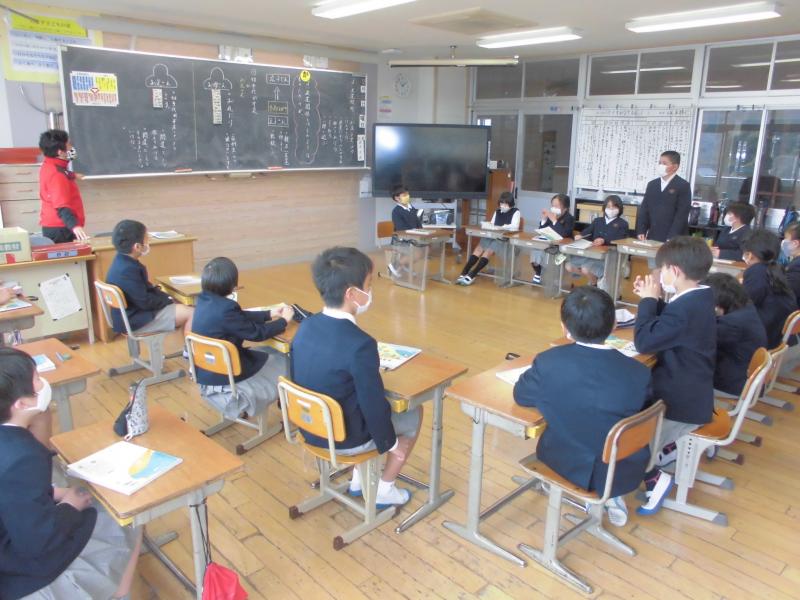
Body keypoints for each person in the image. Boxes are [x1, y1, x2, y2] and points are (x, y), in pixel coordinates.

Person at [0, 347, 142, 600]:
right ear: (21, 403)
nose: (43, 382)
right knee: (127, 517)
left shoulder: (12, 446)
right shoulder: (23, 456)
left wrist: (53, 492)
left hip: (11, 540)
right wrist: (69, 506)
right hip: (20, 569)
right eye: (37, 379)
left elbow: (11, 492)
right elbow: (37, 541)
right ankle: (118, 590)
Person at [291, 247, 421, 506]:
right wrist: (391, 445)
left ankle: (358, 481)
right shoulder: (361, 344)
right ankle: (385, 488)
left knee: (351, 399)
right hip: (344, 438)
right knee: (413, 413)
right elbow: (372, 405)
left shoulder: (306, 326)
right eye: (369, 285)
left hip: (310, 427)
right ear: (351, 294)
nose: (371, 292)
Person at [513, 286, 652, 527]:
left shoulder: (549, 363)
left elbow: (521, 395)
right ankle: (611, 495)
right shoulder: (640, 372)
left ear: (564, 328)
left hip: (569, 462)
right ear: (614, 325)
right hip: (625, 464)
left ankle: (598, 495)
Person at [633, 236, 716, 515]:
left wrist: (648, 301)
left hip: (681, 403)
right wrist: (653, 301)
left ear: (676, 271)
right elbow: (671, 322)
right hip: (692, 388)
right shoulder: (699, 296)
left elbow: (644, 342)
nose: (660, 275)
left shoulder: (686, 308)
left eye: (663, 269)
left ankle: (654, 479)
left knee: (630, 442)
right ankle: (667, 449)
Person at [190, 257, 294, 419]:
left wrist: (269, 314)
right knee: (289, 360)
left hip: (208, 372)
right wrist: (284, 321)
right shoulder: (227, 308)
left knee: (268, 351)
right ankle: (288, 403)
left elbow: (238, 317)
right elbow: (257, 333)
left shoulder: (203, 300)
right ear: (231, 284)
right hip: (229, 375)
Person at [106, 219, 194, 337]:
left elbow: (143, 293)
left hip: (131, 314)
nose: (149, 243)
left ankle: (186, 344)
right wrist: (168, 300)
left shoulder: (120, 260)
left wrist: (166, 297)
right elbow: (145, 302)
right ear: (137, 246)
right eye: (147, 239)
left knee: (182, 304)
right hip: (137, 320)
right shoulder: (127, 270)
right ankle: (190, 348)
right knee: (193, 313)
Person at [704, 273, 768, 396]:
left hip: (733, 384)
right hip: (744, 376)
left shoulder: (731, 324)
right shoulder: (746, 308)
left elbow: (702, 340)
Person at [742, 230, 796, 349]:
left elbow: (741, 305)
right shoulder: (777, 270)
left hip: (762, 341)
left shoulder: (756, 272)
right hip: (778, 338)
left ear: (750, 255)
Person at [456, 191, 520, 285]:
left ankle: (473, 274)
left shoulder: (516, 212)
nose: (503, 206)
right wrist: (488, 225)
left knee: (488, 251)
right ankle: (465, 271)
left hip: (503, 238)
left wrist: (502, 227)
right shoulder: (497, 211)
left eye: (505, 204)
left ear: (510, 204)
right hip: (493, 235)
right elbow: (492, 224)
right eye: (501, 203)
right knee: (478, 248)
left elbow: (515, 227)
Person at [564, 195, 629, 287]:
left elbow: (620, 239)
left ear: (619, 208)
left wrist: (604, 240)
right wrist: (580, 235)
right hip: (592, 254)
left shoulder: (623, 224)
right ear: (604, 207)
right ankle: (594, 281)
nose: (611, 209)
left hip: (608, 257)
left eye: (614, 207)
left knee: (586, 269)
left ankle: (594, 285)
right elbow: (588, 231)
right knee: (569, 266)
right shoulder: (597, 221)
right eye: (608, 207)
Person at [38, 129, 88, 244]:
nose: (72, 148)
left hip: (56, 226)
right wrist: (75, 226)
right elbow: (62, 206)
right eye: (69, 145)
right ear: (60, 152)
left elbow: (61, 171)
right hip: (62, 229)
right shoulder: (57, 175)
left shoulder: (49, 164)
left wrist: (73, 175)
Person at [636, 150, 692, 246]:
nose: (661, 166)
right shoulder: (652, 184)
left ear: (675, 167)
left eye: (664, 163)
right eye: (660, 163)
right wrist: (641, 230)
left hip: (674, 237)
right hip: (653, 234)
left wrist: (672, 237)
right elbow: (644, 209)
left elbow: (682, 214)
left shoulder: (683, 185)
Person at [530, 193, 575, 285]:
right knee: (536, 251)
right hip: (549, 245)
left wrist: (554, 220)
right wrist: (544, 219)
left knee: (557, 258)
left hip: (562, 249)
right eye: (552, 205)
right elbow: (542, 231)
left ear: (565, 208)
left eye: (556, 206)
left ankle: (557, 277)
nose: (553, 208)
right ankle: (538, 273)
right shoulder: (551, 216)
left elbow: (564, 234)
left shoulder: (569, 218)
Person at [387, 185, 423, 279]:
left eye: (407, 194)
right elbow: (401, 229)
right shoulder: (396, 211)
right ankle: (395, 265)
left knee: (424, 249)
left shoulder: (411, 208)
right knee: (418, 253)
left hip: (412, 238)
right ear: (397, 198)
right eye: (404, 195)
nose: (407, 196)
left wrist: (421, 231)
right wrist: (414, 232)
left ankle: (404, 267)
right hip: (400, 240)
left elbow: (418, 223)